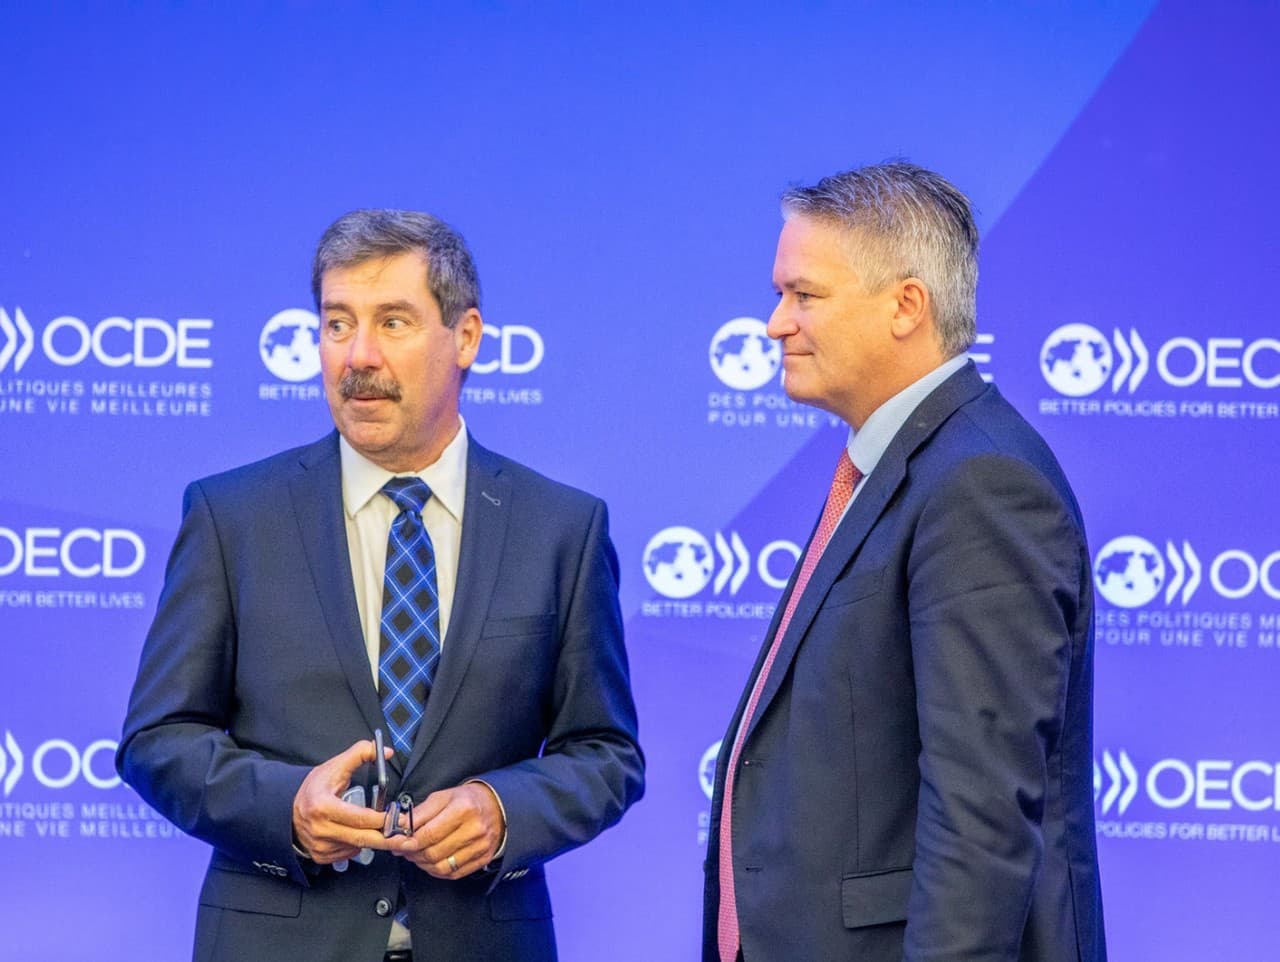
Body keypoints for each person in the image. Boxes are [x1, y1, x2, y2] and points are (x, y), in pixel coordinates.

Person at [117, 209, 644, 962]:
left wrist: (503, 810)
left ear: (466, 337)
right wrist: (286, 809)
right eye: (338, 324)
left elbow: (605, 753)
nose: (358, 356)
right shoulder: (232, 517)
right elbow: (156, 739)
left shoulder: (562, 528)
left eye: (393, 322)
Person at [704, 163, 1105, 961]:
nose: (775, 324)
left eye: (804, 295)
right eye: (780, 294)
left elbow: (979, 821)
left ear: (905, 306)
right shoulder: (906, 466)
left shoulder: (981, 484)